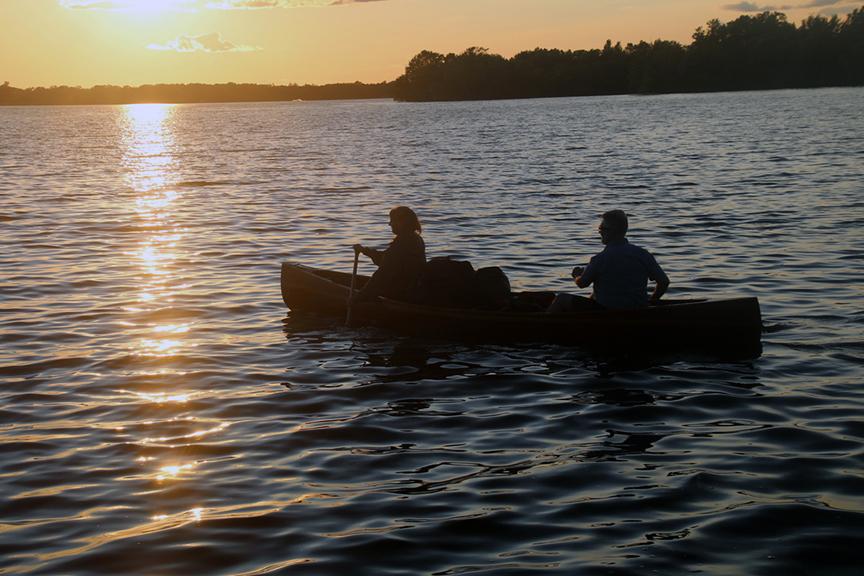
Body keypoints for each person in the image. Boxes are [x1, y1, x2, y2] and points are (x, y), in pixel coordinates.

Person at [548, 209, 669, 312]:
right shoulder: (643, 255)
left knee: (561, 298)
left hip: (606, 312)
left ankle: (546, 325)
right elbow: (663, 282)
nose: (599, 231)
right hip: (638, 310)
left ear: (612, 231)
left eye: (602, 228)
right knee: (594, 294)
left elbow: (582, 284)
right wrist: (652, 301)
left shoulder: (600, 259)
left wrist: (577, 275)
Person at [352, 206, 426, 303]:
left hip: (402, 293)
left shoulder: (403, 243)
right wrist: (364, 251)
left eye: (392, 220)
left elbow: (382, 273)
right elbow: (386, 259)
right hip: (411, 288)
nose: (389, 224)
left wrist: (360, 297)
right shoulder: (415, 239)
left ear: (402, 222)